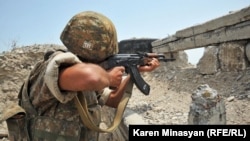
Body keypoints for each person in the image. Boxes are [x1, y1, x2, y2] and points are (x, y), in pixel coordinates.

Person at [15, 11, 160, 141]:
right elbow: (92, 77)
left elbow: (114, 101)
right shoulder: (55, 66)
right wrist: (108, 78)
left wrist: (134, 72)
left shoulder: (84, 78)